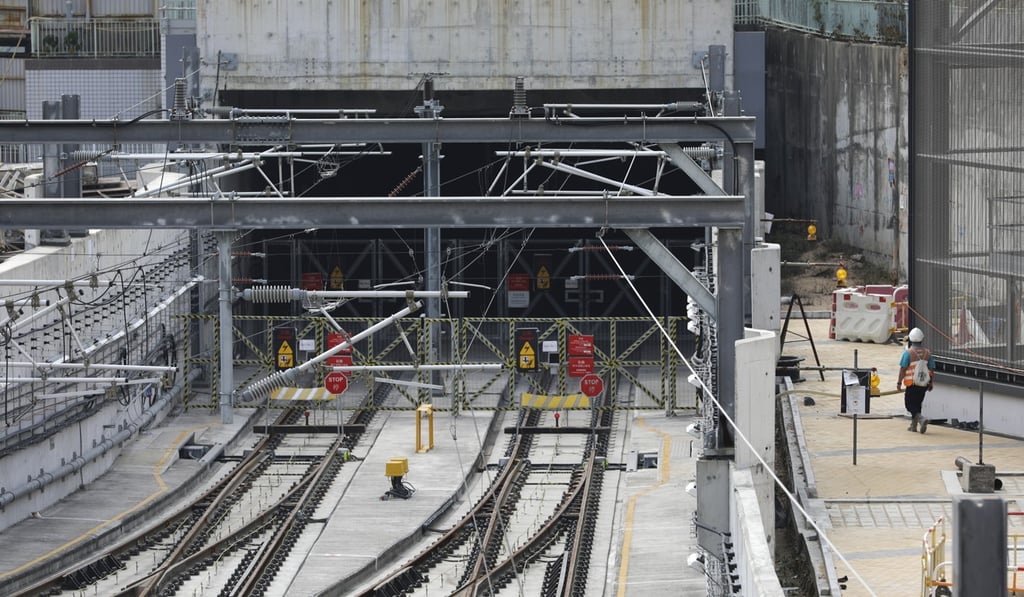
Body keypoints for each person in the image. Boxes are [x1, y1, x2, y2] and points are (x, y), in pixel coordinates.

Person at [897, 327, 935, 433]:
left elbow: (903, 369)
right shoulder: (928, 353)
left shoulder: (908, 353)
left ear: (910, 339)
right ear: (922, 339)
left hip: (912, 383)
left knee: (909, 404)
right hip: (924, 383)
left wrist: (899, 382)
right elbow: (932, 369)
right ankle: (913, 426)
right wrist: (931, 383)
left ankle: (921, 419)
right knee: (918, 404)